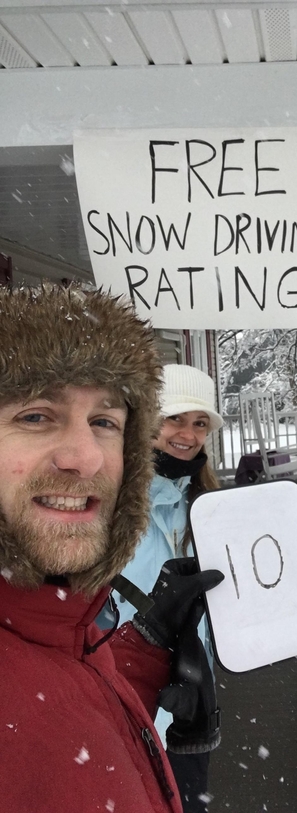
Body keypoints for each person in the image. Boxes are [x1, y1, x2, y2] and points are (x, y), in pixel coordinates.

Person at [0, 284, 223, 813]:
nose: (85, 457)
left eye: (104, 422)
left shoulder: (57, 621)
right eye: (35, 415)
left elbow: (66, 686)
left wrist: (149, 649)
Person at [119, 363, 224, 811]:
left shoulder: (210, 505)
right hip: (124, 699)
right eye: (175, 418)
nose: (188, 433)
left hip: (191, 705)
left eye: (200, 423)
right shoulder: (110, 505)